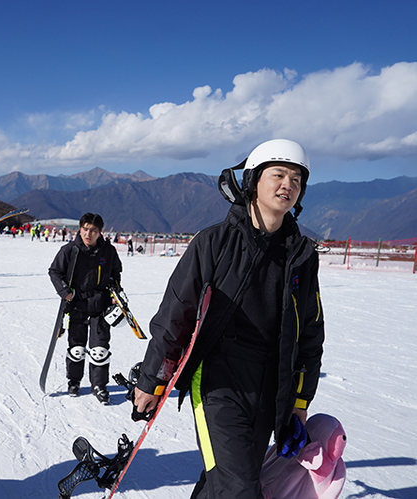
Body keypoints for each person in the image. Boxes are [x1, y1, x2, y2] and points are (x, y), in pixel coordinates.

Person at [132, 139, 325, 498]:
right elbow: (175, 314)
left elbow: (311, 333)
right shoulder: (213, 243)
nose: (288, 185)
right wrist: (151, 379)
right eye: (279, 174)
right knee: (238, 488)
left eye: (297, 179)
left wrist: (300, 402)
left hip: (271, 385)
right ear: (253, 180)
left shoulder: (301, 256)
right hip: (218, 379)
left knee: (229, 481)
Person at [48, 213, 123, 404]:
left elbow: (116, 272)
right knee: (77, 348)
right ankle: (74, 381)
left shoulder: (109, 251)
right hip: (77, 304)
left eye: (93, 230)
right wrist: (65, 292)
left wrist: (115, 291)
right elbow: (54, 271)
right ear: (80, 229)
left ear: (100, 232)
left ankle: (99, 385)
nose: (88, 234)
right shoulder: (70, 250)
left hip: (101, 304)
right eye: (86, 229)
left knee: (100, 349)